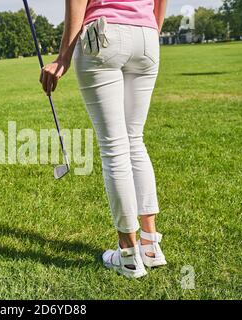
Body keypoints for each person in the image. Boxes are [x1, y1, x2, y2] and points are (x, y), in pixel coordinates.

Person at [39, 0, 168, 278]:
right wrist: (151, 29)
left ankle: (128, 255)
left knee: (115, 149)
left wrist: (63, 56)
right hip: (146, 33)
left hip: (103, 34)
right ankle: (150, 246)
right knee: (135, 141)